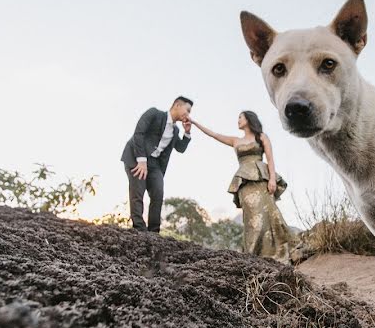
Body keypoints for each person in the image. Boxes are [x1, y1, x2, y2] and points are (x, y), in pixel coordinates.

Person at [191, 111, 292, 262]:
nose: (238, 120)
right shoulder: (235, 140)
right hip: (245, 185)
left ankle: (276, 251)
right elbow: (213, 134)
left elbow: (270, 159)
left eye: (240, 117)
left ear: (248, 119)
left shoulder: (262, 137)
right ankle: (253, 254)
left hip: (262, 181)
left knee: (270, 215)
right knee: (252, 221)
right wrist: (194, 122)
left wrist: (272, 179)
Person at [121, 96, 193, 232]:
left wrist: (187, 132)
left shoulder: (175, 130)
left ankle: (154, 232)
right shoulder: (154, 113)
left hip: (155, 164)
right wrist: (141, 160)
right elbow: (138, 133)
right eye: (187, 110)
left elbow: (181, 148)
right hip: (137, 155)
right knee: (137, 192)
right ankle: (139, 229)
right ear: (177, 105)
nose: (188, 114)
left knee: (158, 193)